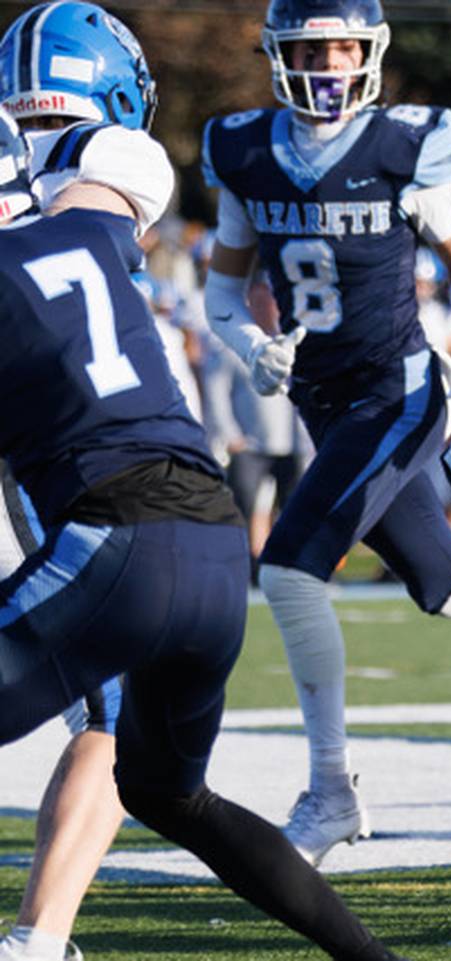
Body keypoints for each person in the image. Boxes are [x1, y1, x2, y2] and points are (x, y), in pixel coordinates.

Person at [0, 110, 410, 961]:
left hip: (119, 537)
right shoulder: (86, 224)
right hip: (218, 549)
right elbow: (133, 161)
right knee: (168, 793)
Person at [200, 0, 451, 867]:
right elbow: (226, 289)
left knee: (287, 572)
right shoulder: (244, 151)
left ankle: (331, 791)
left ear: (370, 52)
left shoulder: (407, 142)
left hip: (398, 390)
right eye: (311, 48)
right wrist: (252, 345)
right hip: (324, 400)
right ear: (280, 55)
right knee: (445, 582)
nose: (328, 65)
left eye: (343, 47)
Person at [0, 7, 169, 958]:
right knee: (118, 707)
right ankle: (37, 939)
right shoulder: (119, 152)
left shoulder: (55, 171)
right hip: (60, 454)